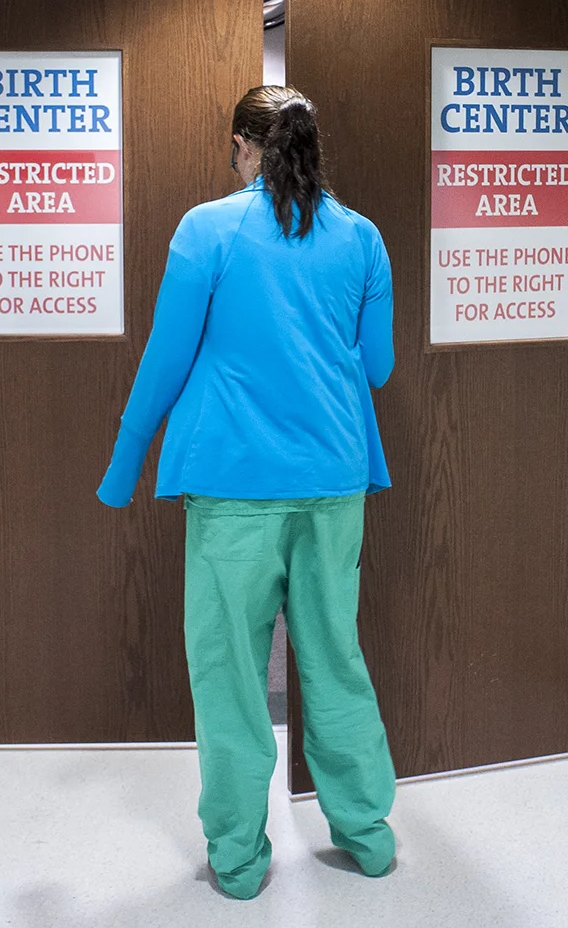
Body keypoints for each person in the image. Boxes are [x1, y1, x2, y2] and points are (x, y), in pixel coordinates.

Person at [96, 84, 398, 900]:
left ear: (241, 145)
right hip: (334, 484)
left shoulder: (207, 231)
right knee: (335, 655)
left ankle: (237, 858)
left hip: (231, 487)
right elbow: (378, 368)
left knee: (228, 672)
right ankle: (367, 834)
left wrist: (125, 463)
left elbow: (165, 358)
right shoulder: (363, 239)